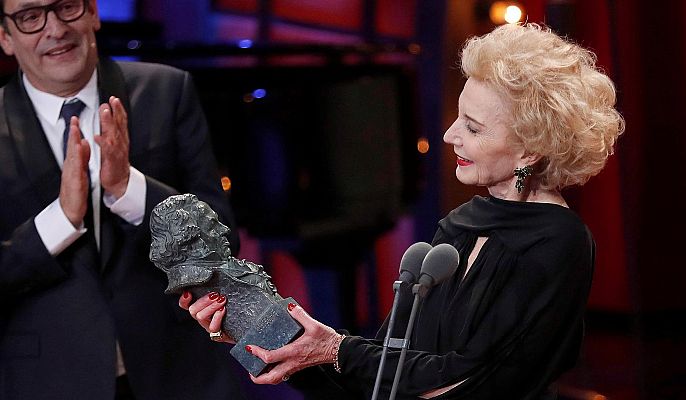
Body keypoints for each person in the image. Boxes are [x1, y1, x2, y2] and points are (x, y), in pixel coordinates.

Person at [181, 23, 624, 399]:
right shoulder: (462, 225)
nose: (450, 135)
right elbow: (382, 378)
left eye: (473, 128)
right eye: (458, 117)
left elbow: (471, 383)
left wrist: (334, 350)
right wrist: (257, 331)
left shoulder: (558, 242)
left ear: (529, 149)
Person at [0, 0, 244, 399]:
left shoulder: (167, 90)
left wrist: (130, 189)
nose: (55, 29)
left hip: (177, 374)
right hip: (47, 380)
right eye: (30, 17)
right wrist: (60, 221)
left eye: (67, 7)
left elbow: (223, 242)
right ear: (5, 37)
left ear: (93, 12)